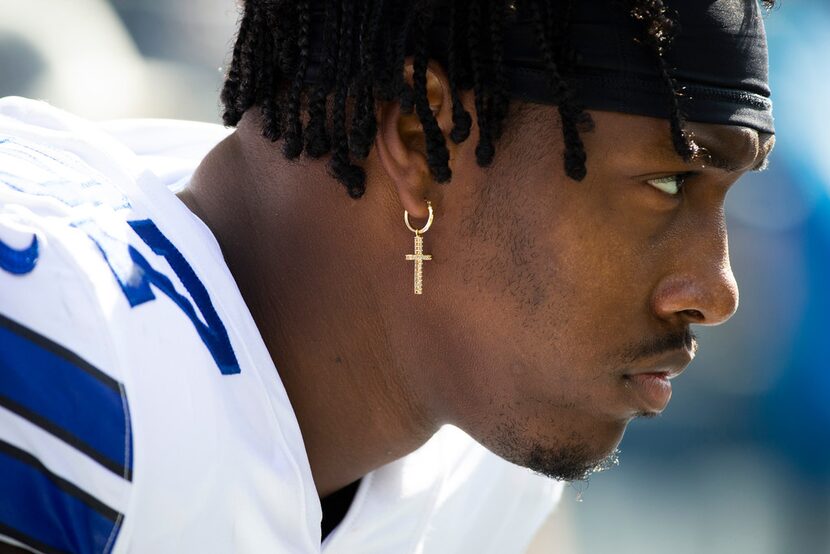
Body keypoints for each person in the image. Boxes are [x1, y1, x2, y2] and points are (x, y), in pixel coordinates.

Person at [0, 0, 776, 552]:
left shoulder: (490, 452)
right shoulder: (63, 347)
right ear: (419, 132)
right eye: (669, 183)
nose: (715, 291)